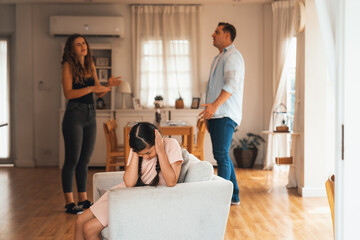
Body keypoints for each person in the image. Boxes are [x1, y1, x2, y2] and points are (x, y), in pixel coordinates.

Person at [74, 122, 183, 239]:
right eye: (142, 155)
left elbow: (171, 182)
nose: (146, 157)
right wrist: (136, 153)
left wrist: (160, 151)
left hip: (140, 197)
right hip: (125, 192)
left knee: (89, 229)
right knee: (79, 220)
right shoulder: (137, 150)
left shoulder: (171, 145)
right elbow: (129, 183)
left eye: (148, 152)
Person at [61, 34, 122, 214]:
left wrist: (107, 85)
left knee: (85, 160)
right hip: (75, 114)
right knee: (72, 159)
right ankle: (69, 203)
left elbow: (99, 92)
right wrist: (92, 88)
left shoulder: (90, 65)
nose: (83, 46)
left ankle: (84, 199)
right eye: (78, 44)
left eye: (84, 43)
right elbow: (68, 93)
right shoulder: (68, 66)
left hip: (90, 113)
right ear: (72, 49)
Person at [199, 22, 245, 206]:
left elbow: (230, 86)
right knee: (222, 155)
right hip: (218, 114)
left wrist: (214, 106)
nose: (212, 35)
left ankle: (221, 200)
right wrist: (209, 111)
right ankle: (234, 196)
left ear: (227, 36)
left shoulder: (233, 57)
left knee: (221, 155)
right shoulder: (219, 57)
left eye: (217, 32)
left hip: (225, 114)